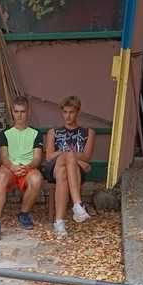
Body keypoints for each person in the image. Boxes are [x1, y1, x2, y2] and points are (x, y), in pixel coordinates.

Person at [0, 96, 44, 241]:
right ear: (12, 112)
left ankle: (23, 213)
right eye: (16, 111)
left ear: (28, 112)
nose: (19, 115)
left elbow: (37, 158)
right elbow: (3, 156)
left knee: (37, 179)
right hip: (9, 168)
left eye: (23, 111)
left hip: (28, 168)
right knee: (1, 177)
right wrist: (13, 167)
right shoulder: (5, 133)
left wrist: (27, 167)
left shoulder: (36, 133)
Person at [43, 95, 95, 232]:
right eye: (65, 112)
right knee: (67, 158)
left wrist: (71, 157)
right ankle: (77, 204)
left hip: (74, 171)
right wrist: (69, 155)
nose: (68, 116)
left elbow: (87, 156)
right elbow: (49, 157)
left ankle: (59, 222)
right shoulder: (53, 132)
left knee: (63, 173)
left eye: (71, 112)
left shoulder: (88, 132)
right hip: (54, 167)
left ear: (78, 112)